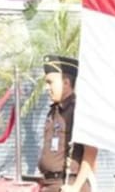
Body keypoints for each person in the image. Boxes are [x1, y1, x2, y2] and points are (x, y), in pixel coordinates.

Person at [37, 56, 97, 192]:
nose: (47, 88)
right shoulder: (54, 112)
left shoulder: (79, 111)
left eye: (50, 82)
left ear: (66, 83)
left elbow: (91, 152)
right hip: (50, 184)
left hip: (68, 183)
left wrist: (75, 187)